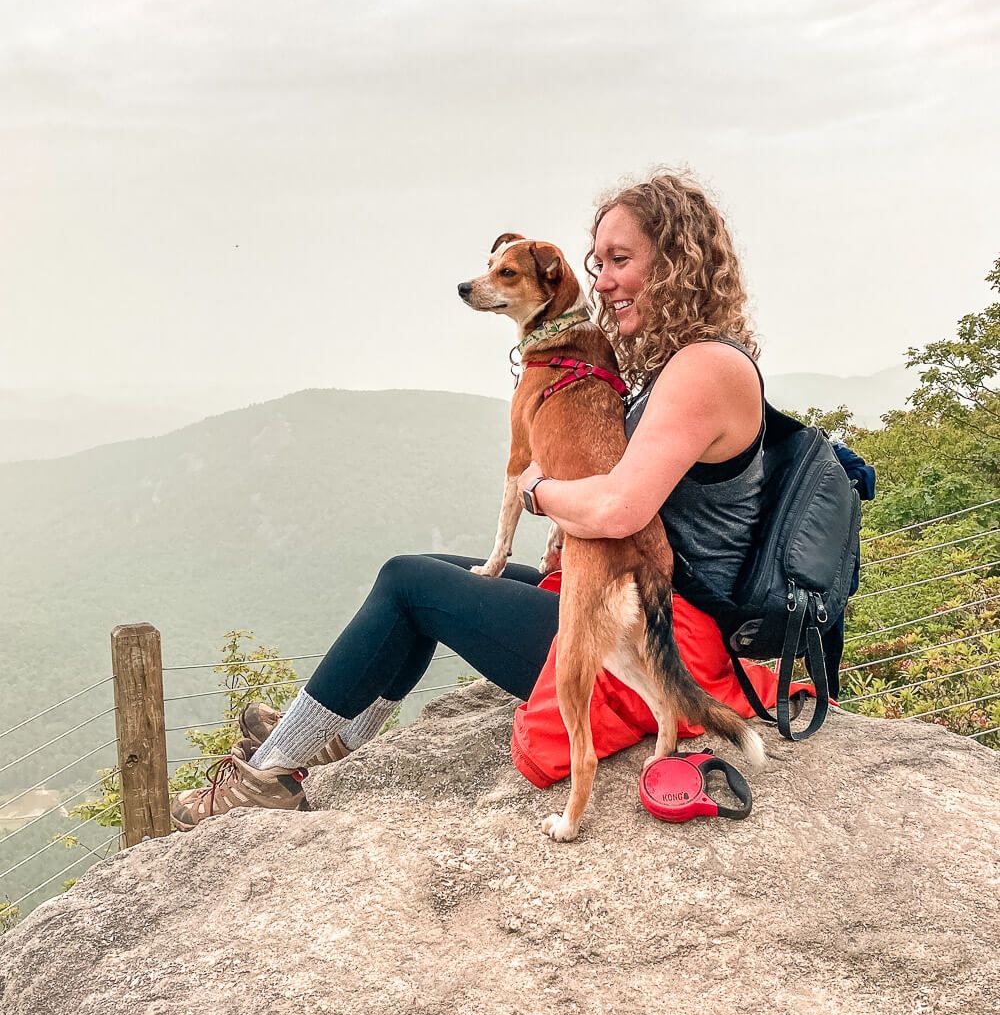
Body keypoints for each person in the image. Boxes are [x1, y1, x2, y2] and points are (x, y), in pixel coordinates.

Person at [170, 171, 773, 830]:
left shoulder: (705, 368)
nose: (599, 281)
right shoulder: (682, 360)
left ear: (680, 262)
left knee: (409, 583)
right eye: (598, 264)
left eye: (621, 261)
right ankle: (331, 739)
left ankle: (273, 773)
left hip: (654, 627)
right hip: (614, 589)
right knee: (428, 571)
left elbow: (616, 512)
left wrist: (538, 488)